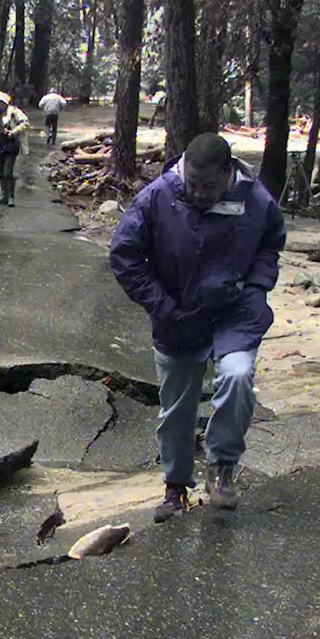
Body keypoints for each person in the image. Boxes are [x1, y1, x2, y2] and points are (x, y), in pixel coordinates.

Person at [109, 133, 284, 521]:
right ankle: (175, 488)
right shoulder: (158, 196)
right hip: (178, 313)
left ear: (228, 173)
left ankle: (222, 467)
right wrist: (163, 306)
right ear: (184, 169)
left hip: (235, 311)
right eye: (192, 184)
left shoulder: (255, 199)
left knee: (238, 377)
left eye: (208, 186)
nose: (199, 193)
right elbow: (123, 254)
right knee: (177, 409)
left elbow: (271, 243)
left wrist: (257, 286)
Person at [0, 91, 29, 207]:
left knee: (7, 171)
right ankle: (4, 195)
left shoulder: (14, 111)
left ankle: (11, 196)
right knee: (0, 171)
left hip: (11, 145)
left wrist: (13, 132)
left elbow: (25, 123)